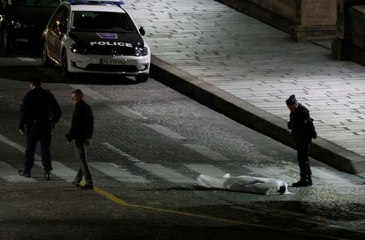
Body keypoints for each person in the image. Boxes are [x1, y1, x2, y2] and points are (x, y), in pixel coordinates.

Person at [19, 78, 62, 180]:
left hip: (33, 125)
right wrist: (53, 122)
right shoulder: (47, 94)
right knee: (45, 148)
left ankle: (27, 170)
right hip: (46, 124)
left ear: (32, 85)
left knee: (30, 148)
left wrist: (21, 125)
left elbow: (23, 111)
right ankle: (47, 171)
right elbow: (58, 110)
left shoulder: (30, 95)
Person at [66, 89, 94, 190]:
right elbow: (91, 123)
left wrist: (69, 136)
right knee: (82, 160)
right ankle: (77, 179)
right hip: (87, 137)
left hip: (80, 138)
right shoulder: (87, 107)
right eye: (72, 98)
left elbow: (75, 125)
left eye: (74, 97)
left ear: (79, 97)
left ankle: (89, 181)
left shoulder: (79, 108)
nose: (73, 99)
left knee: (82, 160)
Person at [286, 94, 315, 187]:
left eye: (291, 106)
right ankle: (308, 179)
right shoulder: (294, 112)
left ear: (295, 104)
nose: (290, 108)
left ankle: (304, 180)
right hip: (299, 139)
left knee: (302, 159)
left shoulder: (302, 112)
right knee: (304, 159)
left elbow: (308, 125)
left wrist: (312, 134)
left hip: (304, 139)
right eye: (289, 107)